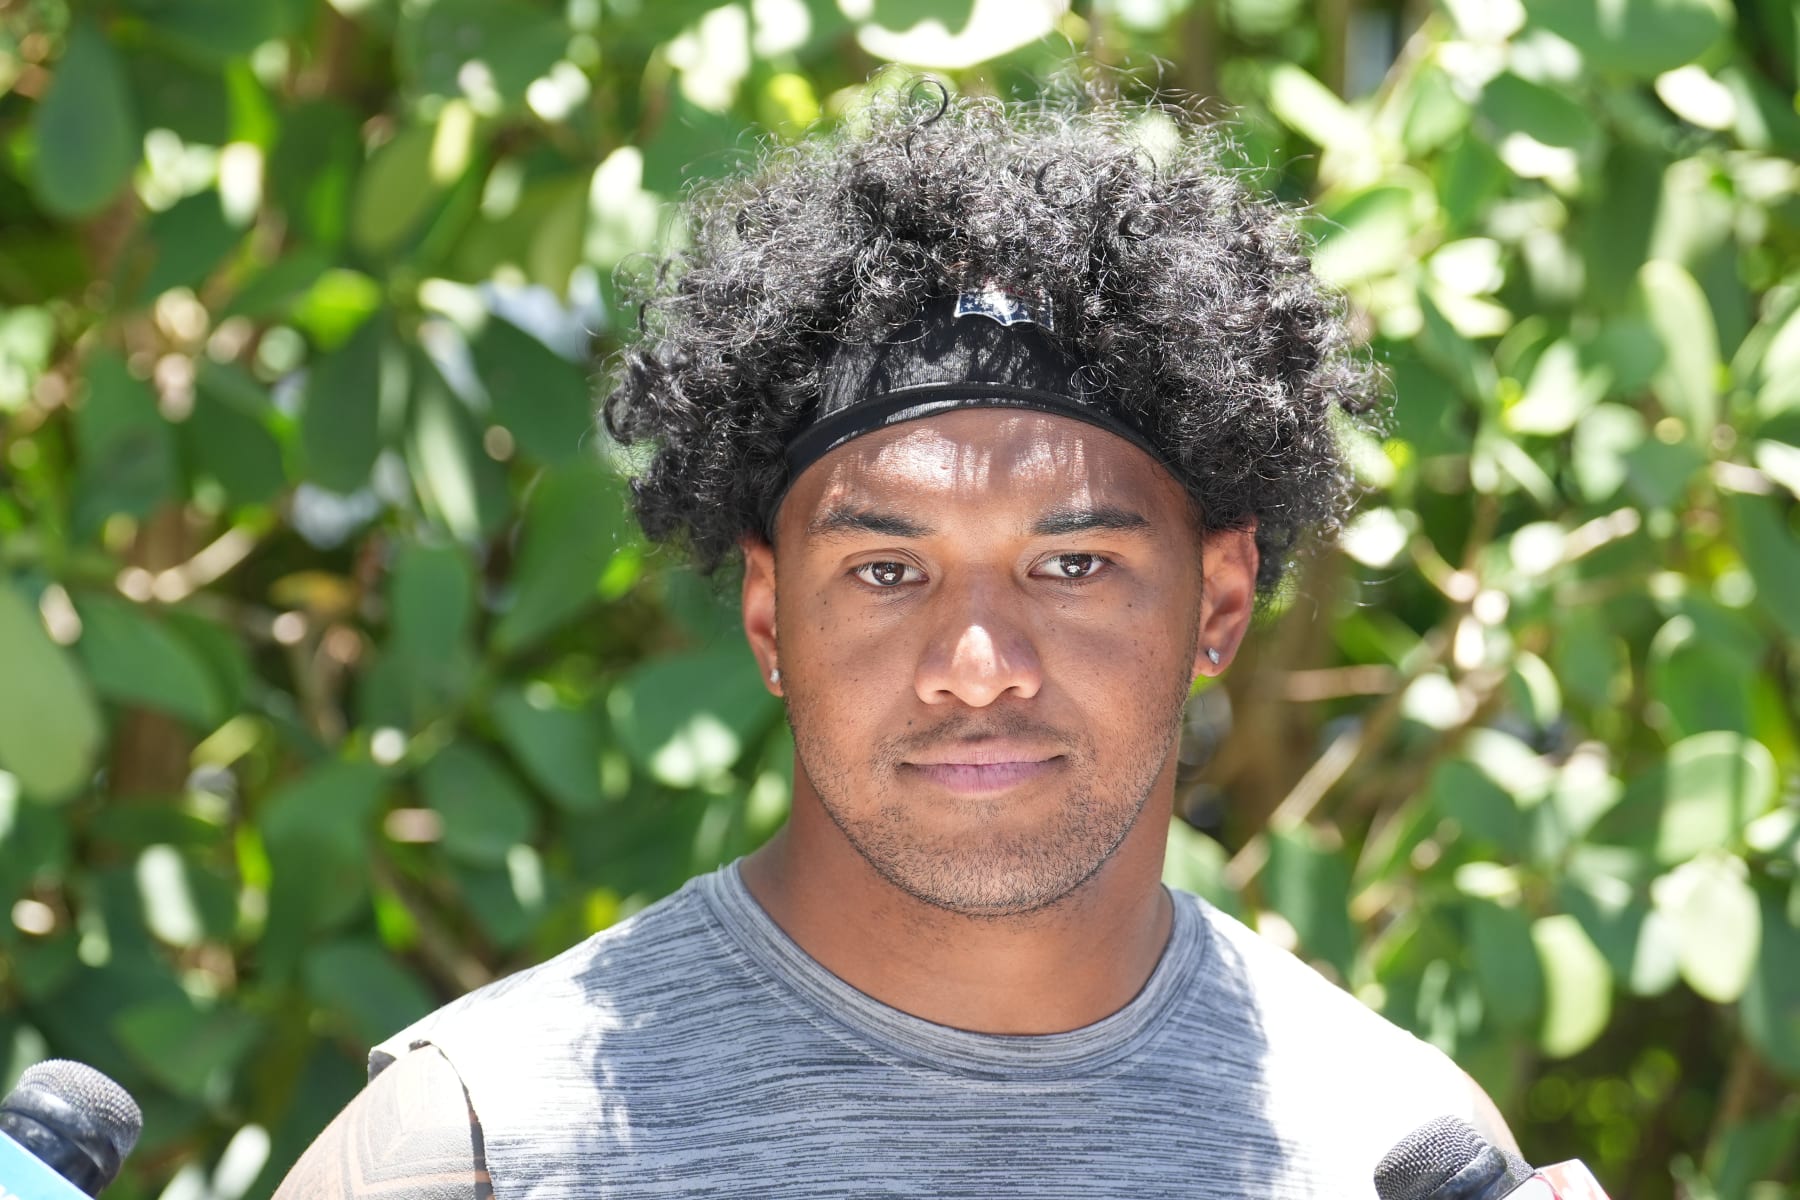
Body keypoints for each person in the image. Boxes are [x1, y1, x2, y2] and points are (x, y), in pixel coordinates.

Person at [273, 82, 1516, 1200]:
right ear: (769, 619)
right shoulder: (480, 1144)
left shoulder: (1392, 1152)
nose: (976, 662)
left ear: (1221, 602)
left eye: (1073, 564)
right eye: (885, 569)